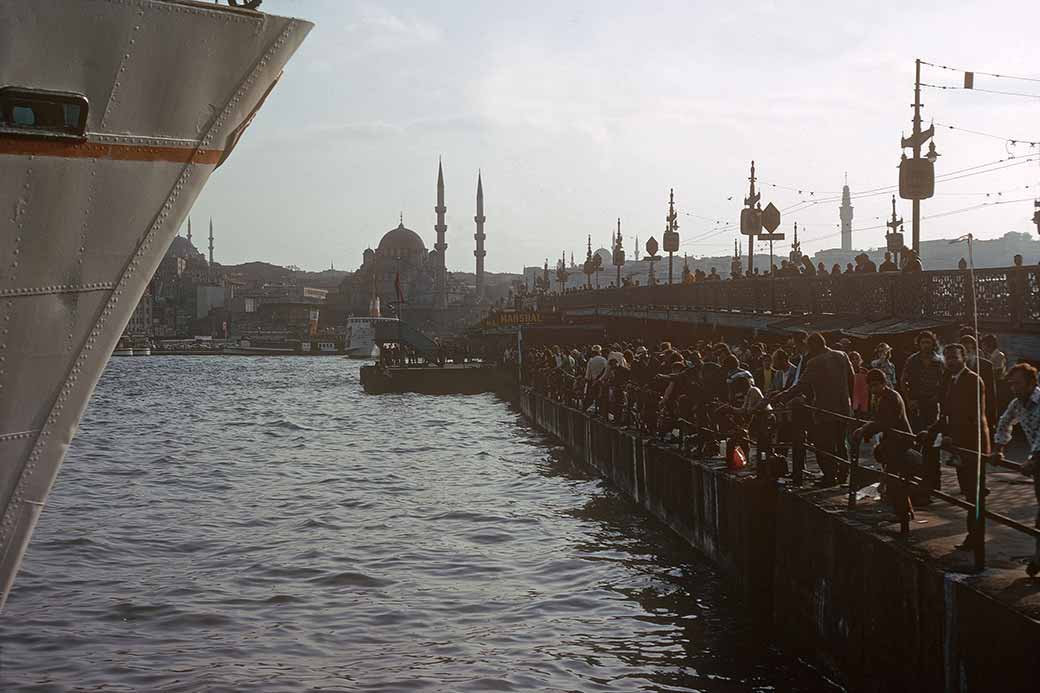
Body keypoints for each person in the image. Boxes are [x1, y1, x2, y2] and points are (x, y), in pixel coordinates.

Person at [922, 343, 990, 551]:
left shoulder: (972, 380)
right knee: (968, 493)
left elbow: (973, 416)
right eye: (948, 358)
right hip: (960, 446)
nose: (951, 361)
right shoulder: (951, 380)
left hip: (972, 445)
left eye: (954, 357)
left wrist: (953, 437)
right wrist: (931, 431)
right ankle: (973, 537)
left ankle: (976, 539)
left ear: (964, 358)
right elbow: (947, 414)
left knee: (974, 494)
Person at [772, 332, 855, 486]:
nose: (808, 351)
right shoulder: (842, 355)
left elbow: (801, 385)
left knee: (823, 445)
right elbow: (851, 378)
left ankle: (829, 476)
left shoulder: (815, 362)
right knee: (841, 443)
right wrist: (848, 399)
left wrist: (782, 396)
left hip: (824, 409)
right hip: (843, 407)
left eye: (809, 347)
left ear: (815, 345)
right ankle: (843, 474)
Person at [992, 363, 1040, 577]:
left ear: (1031, 384)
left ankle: (1038, 558)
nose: (1013, 388)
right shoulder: (1017, 403)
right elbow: (1004, 422)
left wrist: (1033, 459)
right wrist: (998, 449)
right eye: (1011, 384)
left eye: (1018, 384)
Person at [853, 369, 915, 525]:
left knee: (894, 479)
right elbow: (878, 419)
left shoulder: (890, 398)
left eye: (875, 385)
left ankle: (903, 514)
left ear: (883, 383)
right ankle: (904, 511)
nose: (873, 389)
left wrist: (865, 430)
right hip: (893, 441)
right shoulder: (882, 397)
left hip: (899, 442)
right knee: (892, 477)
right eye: (871, 386)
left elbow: (884, 422)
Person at [849, 351, 870, 418]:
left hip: (863, 397)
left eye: (857, 358)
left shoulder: (864, 371)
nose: (855, 361)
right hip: (852, 396)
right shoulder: (848, 372)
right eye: (853, 359)